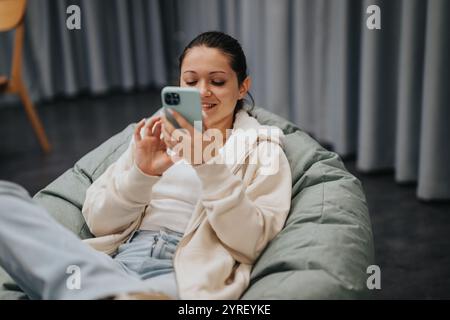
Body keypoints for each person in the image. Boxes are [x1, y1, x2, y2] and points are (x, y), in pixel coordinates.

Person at [0, 31, 292, 300]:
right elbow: (99, 222)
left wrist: (208, 166)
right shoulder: (154, 133)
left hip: (184, 272)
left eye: (217, 81)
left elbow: (253, 241)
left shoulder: (261, 147)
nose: (202, 91)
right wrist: (143, 173)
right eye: (191, 82)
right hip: (118, 260)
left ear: (243, 87)